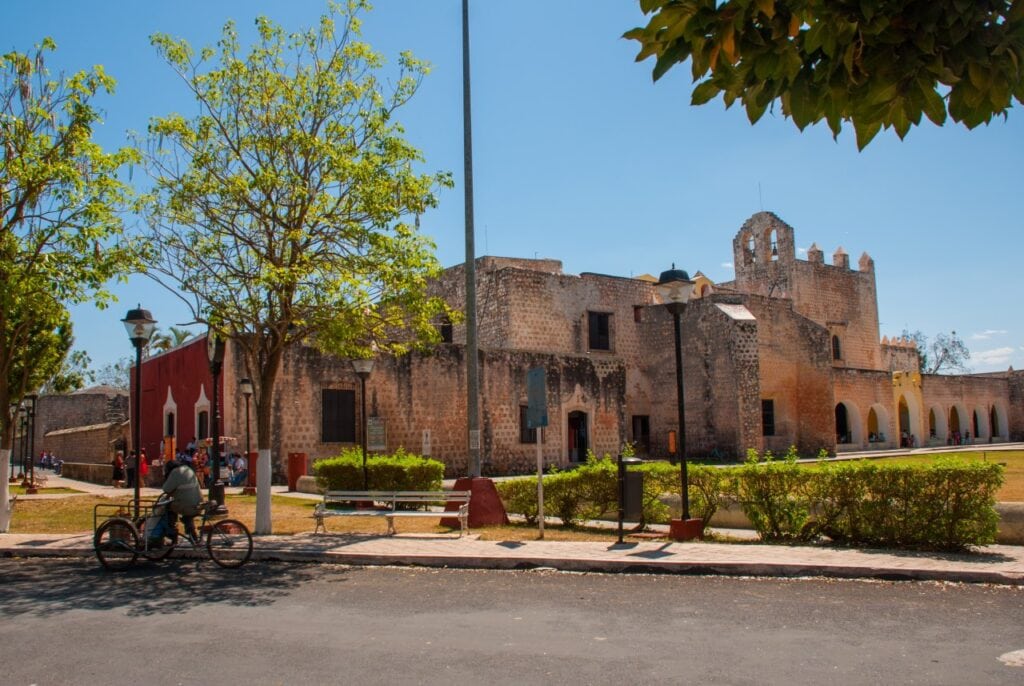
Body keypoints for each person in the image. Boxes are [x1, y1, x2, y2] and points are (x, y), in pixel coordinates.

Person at [158, 459, 203, 542]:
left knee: (168, 507)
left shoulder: (175, 472)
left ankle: (172, 531)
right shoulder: (188, 469)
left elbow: (166, 489)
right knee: (187, 516)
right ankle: (193, 537)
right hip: (198, 503)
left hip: (186, 505)